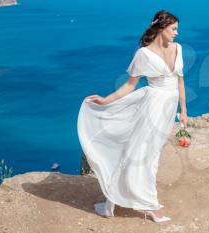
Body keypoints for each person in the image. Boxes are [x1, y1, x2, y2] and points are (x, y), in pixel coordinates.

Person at [77, 10, 188, 223]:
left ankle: (114, 199)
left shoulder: (178, 48)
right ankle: (150, 206)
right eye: (174, 29)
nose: (177, 33)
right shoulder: (143, 54)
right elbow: (129, 85)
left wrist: (183, 112)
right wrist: (105, 100)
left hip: (168, 111)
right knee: (146, 156)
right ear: (161, 28)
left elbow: (180, 82)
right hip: (152, 108)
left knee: (145, 154)